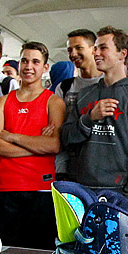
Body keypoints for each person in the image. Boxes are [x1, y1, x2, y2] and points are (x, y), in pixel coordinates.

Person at [60, 27, 128, 203]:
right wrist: (89, 118)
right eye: (95, 48)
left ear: (122, 54)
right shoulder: (85, 95)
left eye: (103, 48)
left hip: (119, 194)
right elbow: (66, 137)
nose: (96, 53)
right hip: (83, 191)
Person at [0, 41, 65, 250]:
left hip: (41, 189)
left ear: (45, 67)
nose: (29, 66)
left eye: (35, 61)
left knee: (41, 253)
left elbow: (54, 145)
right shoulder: (2, 102)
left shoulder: (53, 102)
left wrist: (13, 136)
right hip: (8, 187)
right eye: (24, 60)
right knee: (10, 252)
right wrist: (36, 144)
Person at [55, 29, 103, 180]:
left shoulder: (109, 84)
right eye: (70, 50)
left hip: (101, 167)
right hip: (70, 167)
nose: (73, 54)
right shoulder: (64, 87)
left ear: (94, 49)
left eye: (79, 48)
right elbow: (59, 130)